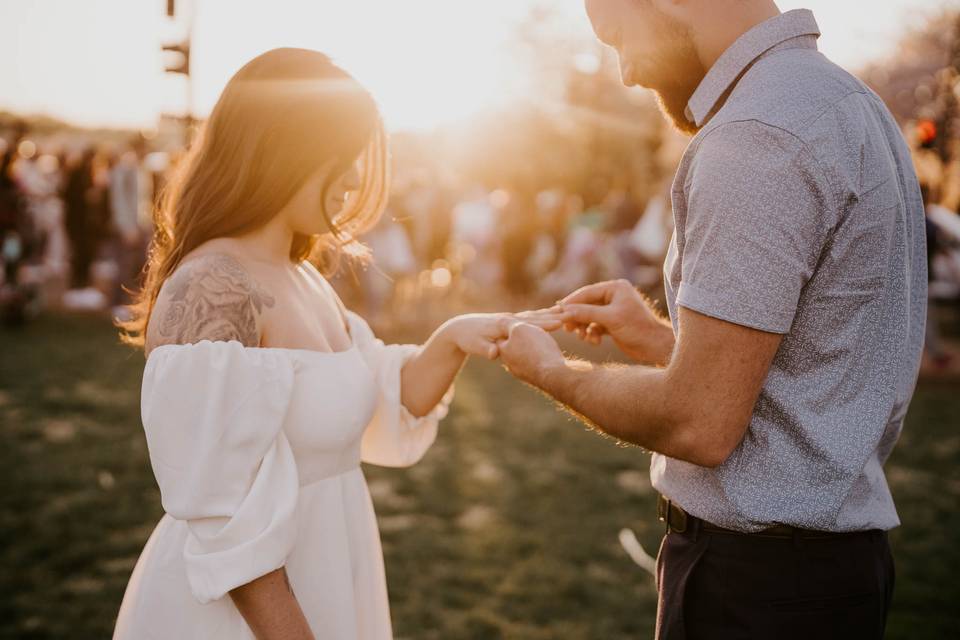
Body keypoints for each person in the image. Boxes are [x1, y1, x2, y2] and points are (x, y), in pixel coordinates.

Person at [504, 2, 925, 639]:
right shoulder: (845, 101)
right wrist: (656, 341)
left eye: (618, 35)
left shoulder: (757, 133)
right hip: (827, 575)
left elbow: (699, 421)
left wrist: (548, 370)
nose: (625, 73)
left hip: (756, 589)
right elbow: (801, 375)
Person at [112, 48, 555, 640]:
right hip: (244, 616)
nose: (351, 179)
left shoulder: (303, 277)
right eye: (339, 158)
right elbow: (222, 510)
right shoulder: (213, 287)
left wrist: (456, 338)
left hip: (328, 573)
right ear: (280, 147)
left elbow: (376, 395)